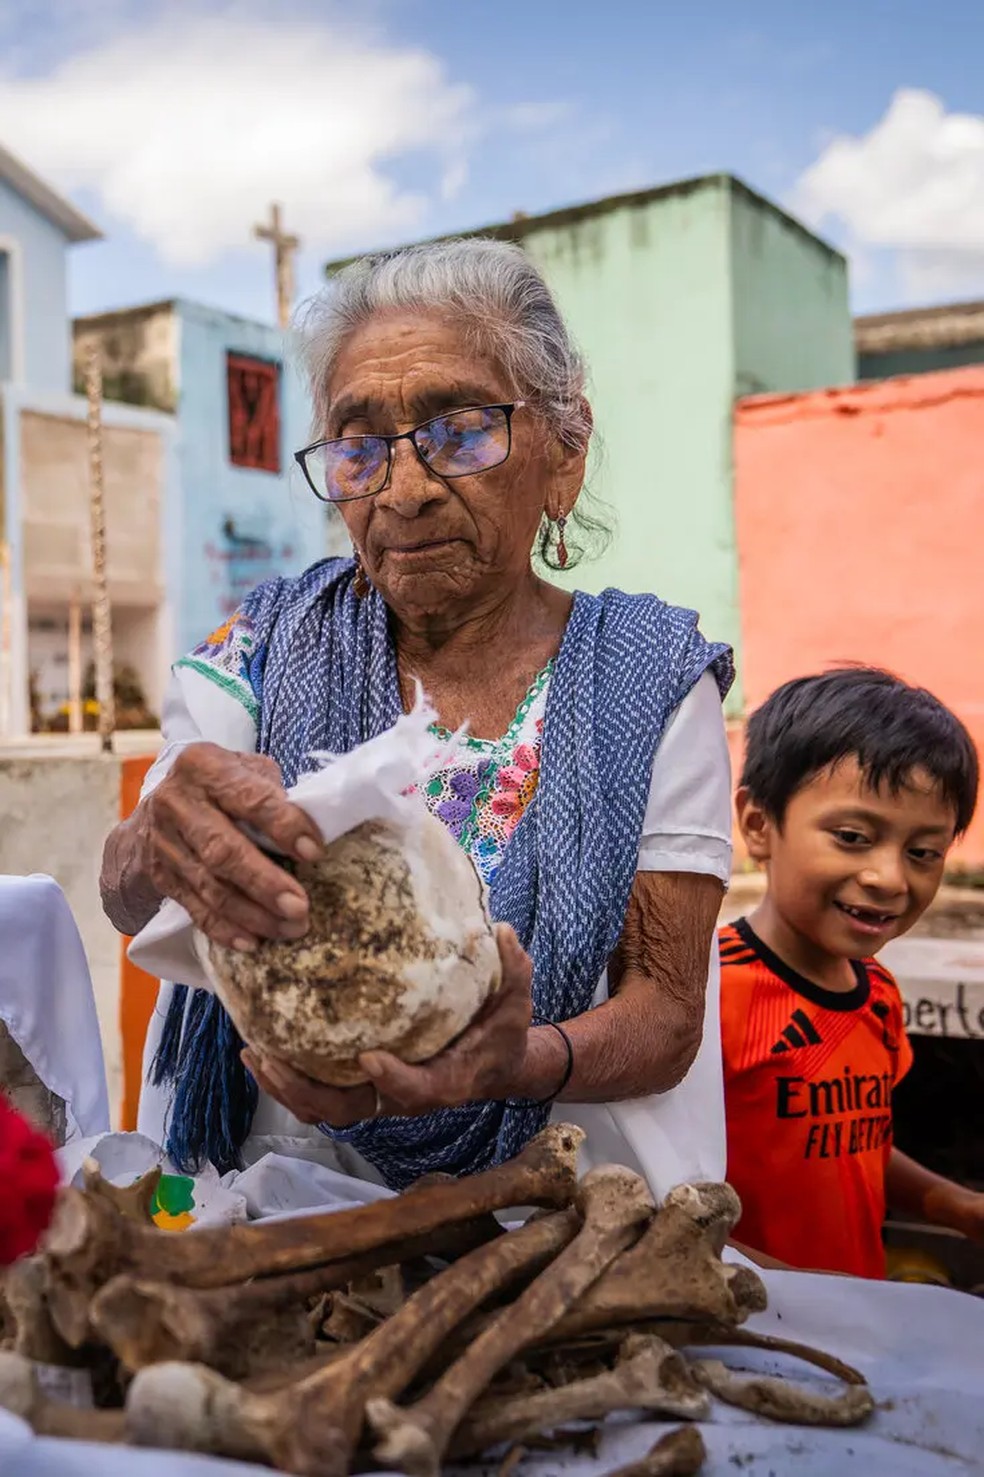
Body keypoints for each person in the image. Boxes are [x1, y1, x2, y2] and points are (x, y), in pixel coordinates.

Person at [101, 237, 735, 1194]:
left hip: (553, 1223)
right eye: (358, 449)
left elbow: (666, 1012)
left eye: (461, 429)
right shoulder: (265, 648)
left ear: (564, 450)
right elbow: (123, 894)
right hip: (280, 1208)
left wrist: (511, 1064)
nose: (401, 489)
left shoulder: (648, 679)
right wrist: (156, 838)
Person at [720, 667, 984, 1277]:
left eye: (923, 852)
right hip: (747, 1328)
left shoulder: (879, 997)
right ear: (760, 826)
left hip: (858, 1319)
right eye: (852, 837)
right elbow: (666, 1192)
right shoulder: (711, 996)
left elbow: (851, 1146)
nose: (890, 878)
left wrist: (955, 1204)